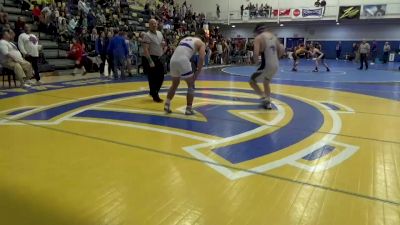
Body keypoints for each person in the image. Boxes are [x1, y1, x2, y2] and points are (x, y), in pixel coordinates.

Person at [164, 30, 206, 115]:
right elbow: (201, 58)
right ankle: (188, 109)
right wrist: (198, 72)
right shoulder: (201, 43)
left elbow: (181, 50)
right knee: (191, 85)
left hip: (173, 60)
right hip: (183, 60)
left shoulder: (185, 39)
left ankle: (167, 104)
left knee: (174, 84)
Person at [249, 24, 284, 110]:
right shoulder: (274, 37)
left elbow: (256, 53)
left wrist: (256, 62)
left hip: (266, 65)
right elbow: (282, 48)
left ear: (257, 31)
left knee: (252, 81)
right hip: (275, 65)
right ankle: (268, 103)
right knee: (266, 82)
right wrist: (277, 58)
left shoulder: (259, 38)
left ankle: (264, 98)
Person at [142, 19, 166, 102]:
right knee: (152, 78)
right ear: (149, 25)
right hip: (151, 58)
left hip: (159, 58)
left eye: (155, 23)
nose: (154, 25)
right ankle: (155, 96)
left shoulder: (160, 33)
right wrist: (150, 61)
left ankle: (153, 92)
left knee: (161, 77)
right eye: (152, 24)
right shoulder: (147, 35)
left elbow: (163, 42)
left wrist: (163, 44)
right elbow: (145, 49)